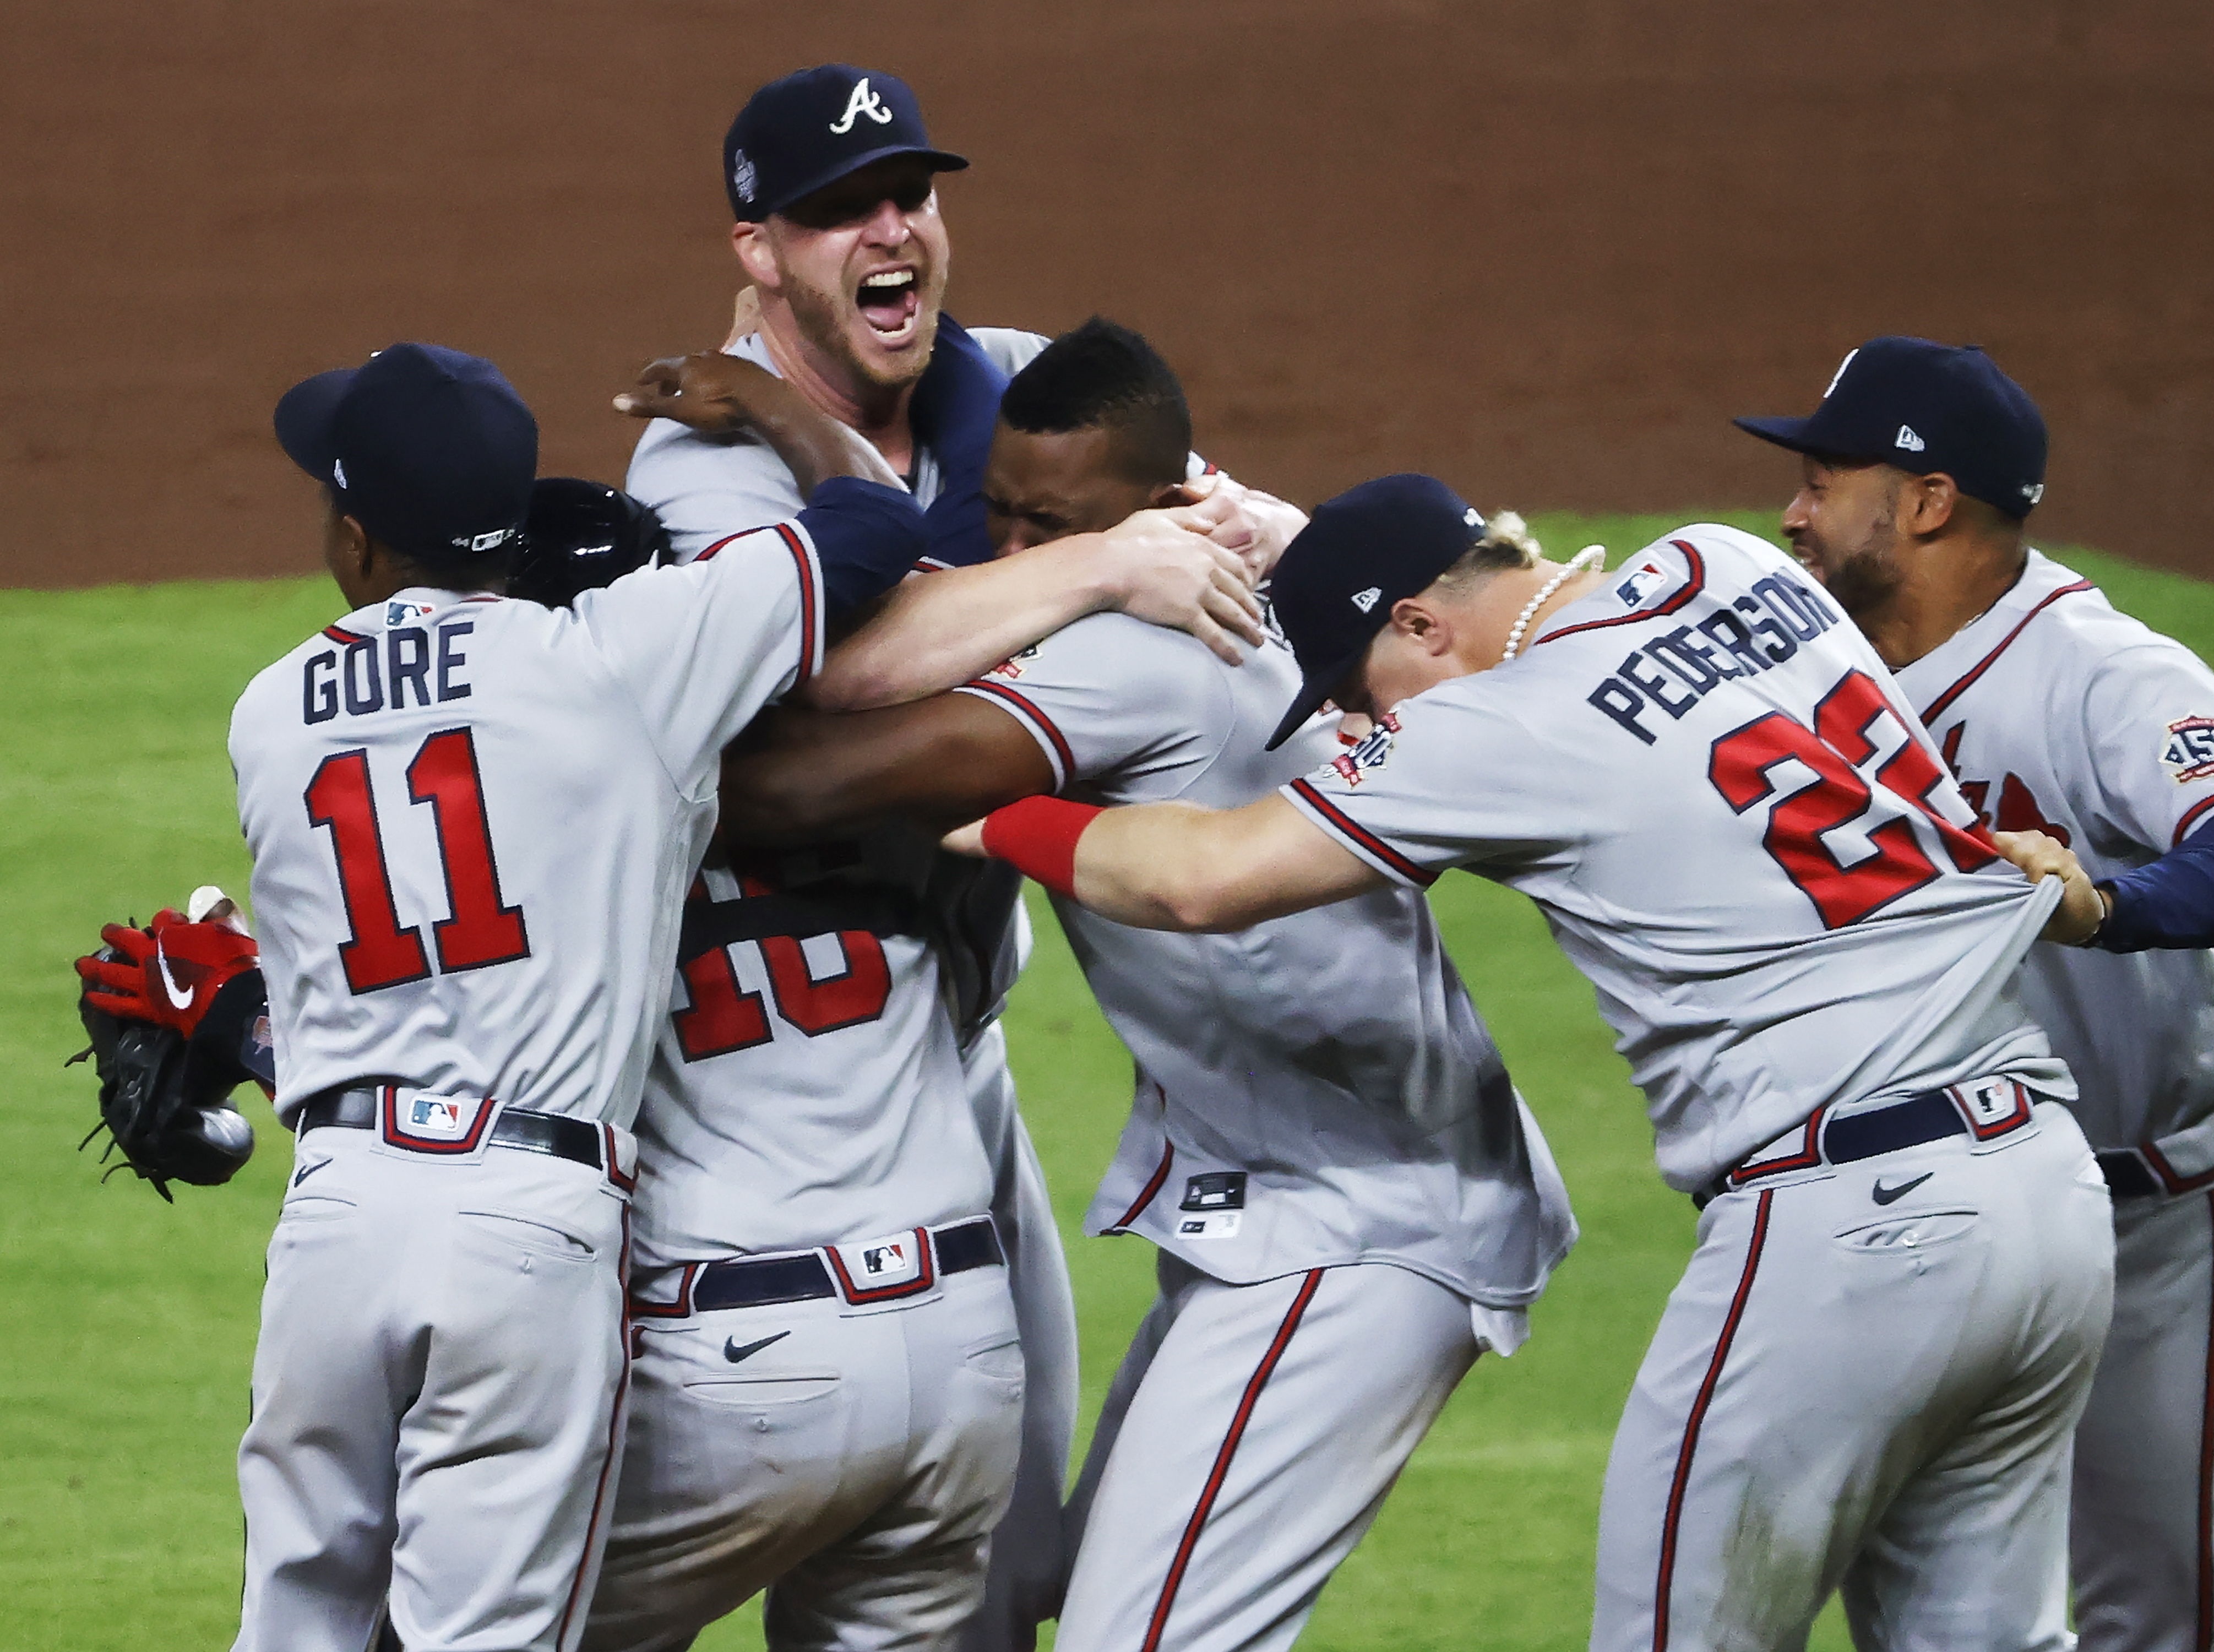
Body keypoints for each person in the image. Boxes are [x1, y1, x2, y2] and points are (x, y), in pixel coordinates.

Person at [944, 472, 2124, 1651]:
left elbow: (1197, 878)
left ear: (1417, 623)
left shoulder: (1493, 727)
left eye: (1357, 691)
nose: (1358, 729)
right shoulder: (1726, 559)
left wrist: (972, 813)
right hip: (2043, 1184)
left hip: (1852, 1222)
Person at [696, 318, 1577, 1652]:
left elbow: (798, 783)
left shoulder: (1144, 650)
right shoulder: (1219, 588)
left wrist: (617, 726)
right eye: (999, 511)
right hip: (1309, 1200)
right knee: (1058, 1583)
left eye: (1055, 526)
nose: (1014, 556)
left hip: (1354, 1232)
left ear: (1161, 514)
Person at [611, 66, 1297, 1649]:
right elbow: (833, 672)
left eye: (908, 193)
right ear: (758, 251)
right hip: (764, 1107)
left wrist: (1225, 533)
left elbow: (1193, 520)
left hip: (952, 1062)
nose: (888, 227)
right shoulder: (698, 469)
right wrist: (1106, 566)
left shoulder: (1011, 389)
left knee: (1001, 1570)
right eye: (838, 209)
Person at [213, 341, 929, 1651]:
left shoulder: (270, 716)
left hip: (341, 1211)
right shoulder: (620, 660)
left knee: (297, 1625)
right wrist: (766, 402)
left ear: (361, 546)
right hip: (525, 1227)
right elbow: (874, 521)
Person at [1737, 336, 2214, 1652]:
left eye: (1825, 478)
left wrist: (2102, 907)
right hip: (1926, 1224)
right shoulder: (1797, 666)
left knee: (2152, 1619)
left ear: (1929, 501)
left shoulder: (2100, 672)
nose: (1790, 510)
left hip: (2157, 1214)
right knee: (1928, 1621)